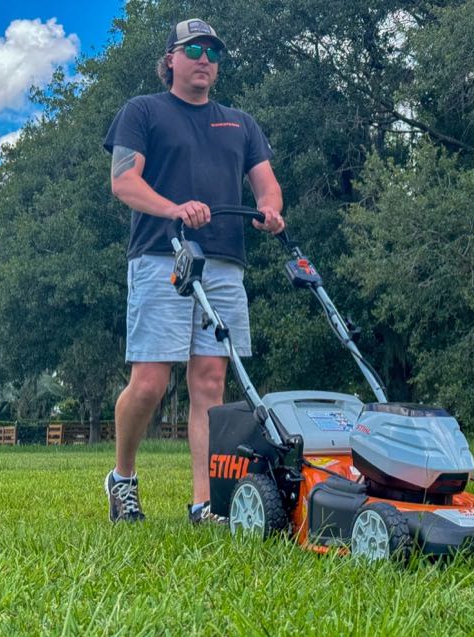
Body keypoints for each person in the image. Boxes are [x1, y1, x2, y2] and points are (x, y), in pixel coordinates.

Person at [102, 18, 284, 523]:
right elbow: (123, 183)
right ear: (170, 60)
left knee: (210, 383)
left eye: (213, 52)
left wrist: (270, 209)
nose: (206, 58)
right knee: (151, 383)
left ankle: (205, 502)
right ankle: (123, 478)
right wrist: (174, 208)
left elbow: (265, 182)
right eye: (194, 49)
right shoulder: (142, 112)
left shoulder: (240, 123)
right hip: (162, 256)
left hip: (224, 262)